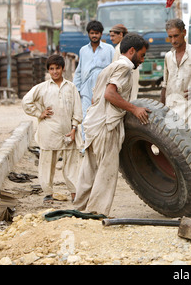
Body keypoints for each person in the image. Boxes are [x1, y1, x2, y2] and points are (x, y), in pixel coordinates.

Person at [73, 33, 151, 217]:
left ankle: (78, 209)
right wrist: (134, 109)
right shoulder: (125, 68)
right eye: (141, 55)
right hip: (106, 125)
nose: (142, 60)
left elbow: (95, 97)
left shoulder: (110, 67)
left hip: (93, 124)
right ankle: (96, 212)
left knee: (89, 171)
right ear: (131, 51)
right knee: (106, 171)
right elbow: (110, 94)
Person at [22, 54, 83, 204]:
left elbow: (77, 110)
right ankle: (48, 193)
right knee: (47, 163)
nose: (55, 72)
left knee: (71, 163)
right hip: (48, 131)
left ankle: (74, 192)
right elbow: (26, 102)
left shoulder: (71, 87)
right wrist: (39, 113)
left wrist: (74, 128)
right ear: (48, 70)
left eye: (57, 68)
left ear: (63, 69)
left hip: (68, 131)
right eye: (51, 69)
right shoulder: (42, 88)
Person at [73, 20, 115, 120]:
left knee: (101, 117)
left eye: (97, 33)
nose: (94, 35)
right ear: (88, 34)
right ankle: (85, 136)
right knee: (86, 117)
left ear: (101, 34)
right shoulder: (83, 50)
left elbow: (114, 69)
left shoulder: (109, 49)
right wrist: (76, 89)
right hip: (86, 89)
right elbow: (79, 71)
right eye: (92, 33)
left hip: (103, 87)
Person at [110, 24, 140, 101]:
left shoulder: (120, 48)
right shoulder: (130, 47)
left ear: (120, 34)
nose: (111, 38)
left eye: (113, 36)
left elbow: (115, 69)